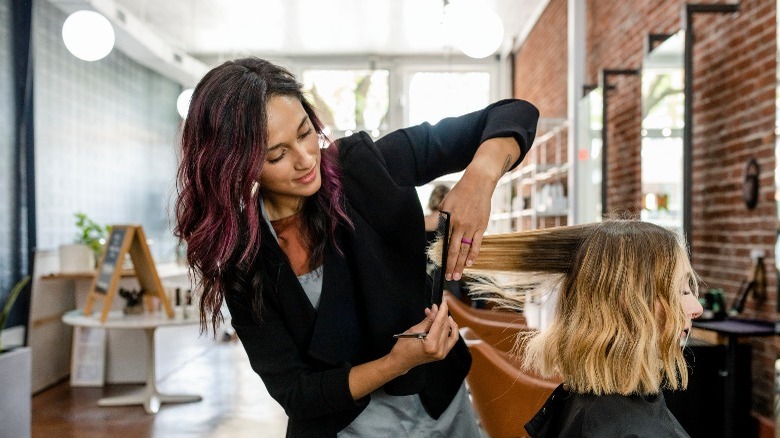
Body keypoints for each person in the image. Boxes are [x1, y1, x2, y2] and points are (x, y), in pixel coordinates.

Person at [174, 57, 539, 437]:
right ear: (236, 167)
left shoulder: (366, 168)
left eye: (304, 133)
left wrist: (480, 178)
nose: (305, 160)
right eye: (277, 155)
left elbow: (514, 114)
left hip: (441, 410)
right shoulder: (245, 261)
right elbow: (298, 395)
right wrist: (395, 363)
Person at [435, 220, 704, 437]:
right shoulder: (623, 427)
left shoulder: (594, 411)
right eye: (680, 291)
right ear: (628, 302)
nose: (697, 308)